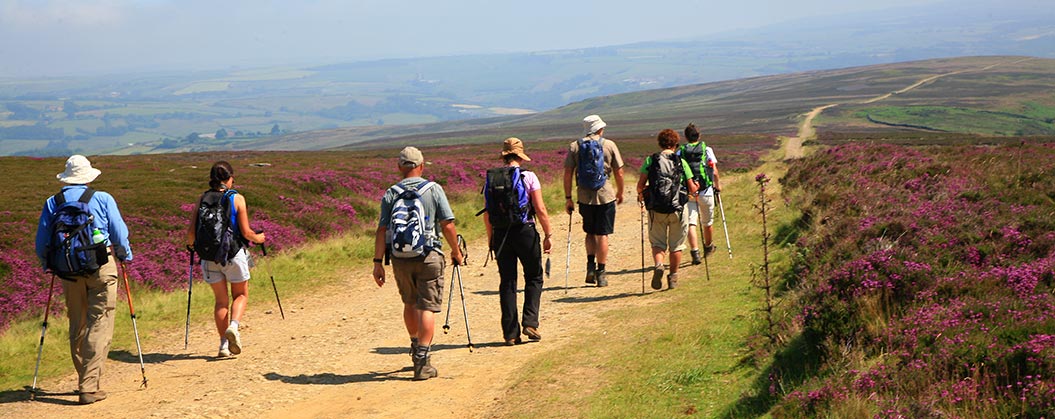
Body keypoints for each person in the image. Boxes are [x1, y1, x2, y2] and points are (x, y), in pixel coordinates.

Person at [34, 155, 133, 405]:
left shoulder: (52, 202)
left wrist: (49, 265)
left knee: (77, 323)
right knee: (99, 321)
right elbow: (119, 232)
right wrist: (125, 255)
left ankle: (84, 379)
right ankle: (88, 386)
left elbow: (41, 241)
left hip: (67, 270)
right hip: (101, 266)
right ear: (88, 177)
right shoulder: (102, 198)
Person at [373, 146, 464, 381]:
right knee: (426, 306)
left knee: (410, 302)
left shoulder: (391, 193)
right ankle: (422, 363)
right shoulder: (433, 189)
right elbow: (447, 225)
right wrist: (456, 251)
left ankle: (414, 345)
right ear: (422, 165)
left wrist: (377, 262)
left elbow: (382, 229)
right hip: (429, 254)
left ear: (399, 168)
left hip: (400, 258)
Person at [186, 161, 266, 358]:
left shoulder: (202, 198)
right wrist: (259, 238)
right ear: (230, 178)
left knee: (221, 301)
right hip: (232, 254)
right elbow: (247, 233)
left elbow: (190, 235)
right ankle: (234, 326)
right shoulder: (237, 198)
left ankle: (223, 345)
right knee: (241, 295)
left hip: (209, 257)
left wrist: (192, 247)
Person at [482, 138, 553, 345]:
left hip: (501, 234)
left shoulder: (491, 178)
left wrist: (491, 240)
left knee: (508, 281)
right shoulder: (529, 176)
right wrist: (548, 235)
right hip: (525, 231)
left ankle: (510, 334)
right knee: (534, 277)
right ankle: (530, 322)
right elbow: (540, 209)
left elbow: (487, 214)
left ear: (504, 156)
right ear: (520, 156)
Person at [563, 115, 625, 287]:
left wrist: (568, 198)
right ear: (599, 128)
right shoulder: (609, 145)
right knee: (602, 234)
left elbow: (568, 173)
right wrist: (620, 192)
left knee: (589, 232)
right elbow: (619, 171)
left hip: (584, 196)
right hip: (605, 195)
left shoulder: (575, 146)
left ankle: (590, 266)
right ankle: (601, 272)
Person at [637, 129, 698, 290]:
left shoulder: (651, 160)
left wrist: (643, 196)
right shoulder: (681, 162)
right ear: (675, 144)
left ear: (660, 143)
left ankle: (658, 264)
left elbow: (640, 186)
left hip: (656, 209)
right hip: (678, 209)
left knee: (658, 242)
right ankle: (673, 277)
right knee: (676, 245)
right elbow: (692, 189)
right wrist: (696, 187)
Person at [680, 123, 721, 264]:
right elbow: (714, 171)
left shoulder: (681, 152)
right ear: (699, 135)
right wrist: (718, 186)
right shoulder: (707, 149)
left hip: (690, 192)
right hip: (706, 191)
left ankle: (695, 252)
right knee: (707, 222)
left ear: (685, 137)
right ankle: (708, 247)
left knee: (691, 222)